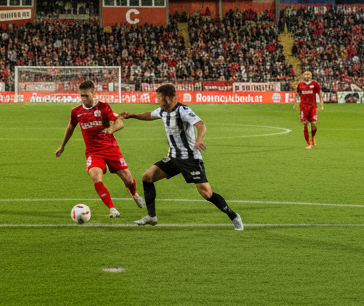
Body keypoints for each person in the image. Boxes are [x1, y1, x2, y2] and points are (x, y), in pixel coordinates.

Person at [121, 84, 243, 230]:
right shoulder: (162, 111)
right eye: (158, 99)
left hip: (190, 159)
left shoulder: (183, 111)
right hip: (173, 158)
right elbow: (150, 115)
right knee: (147, 177)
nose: (159, 103)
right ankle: (151, 216)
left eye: (161, 99)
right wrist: (132, 115)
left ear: (172, 98)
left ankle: (233, 215)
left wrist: (199, 139)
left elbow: (200, 124)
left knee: (206, 193)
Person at [55, 80, 144, 219]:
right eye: (81, 96)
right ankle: (112, 209)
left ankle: (134, 194)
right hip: (93, 152)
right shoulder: (76, 112)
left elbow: (119, 121)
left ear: (93, 93)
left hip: (111, 148)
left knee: (128, 179)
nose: (83, 99)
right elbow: (71, 127)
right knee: (96, 177)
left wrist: (111, 129)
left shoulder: (103, 107)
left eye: (86, 95)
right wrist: (62, 146)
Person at [295, 70, 322, 148]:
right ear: (303, 76)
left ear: (311, 76)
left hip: (313, 106)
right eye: (305, 75)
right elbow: (298, 94)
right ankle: (308, 143)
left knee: (313, 124)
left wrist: (321, 104)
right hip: (303, 106)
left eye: (308, 75)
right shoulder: (300, 85)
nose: (306, 76)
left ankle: (313, 137)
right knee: (305, 124)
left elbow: (319, 94)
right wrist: (296, 103)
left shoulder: (315, 84)